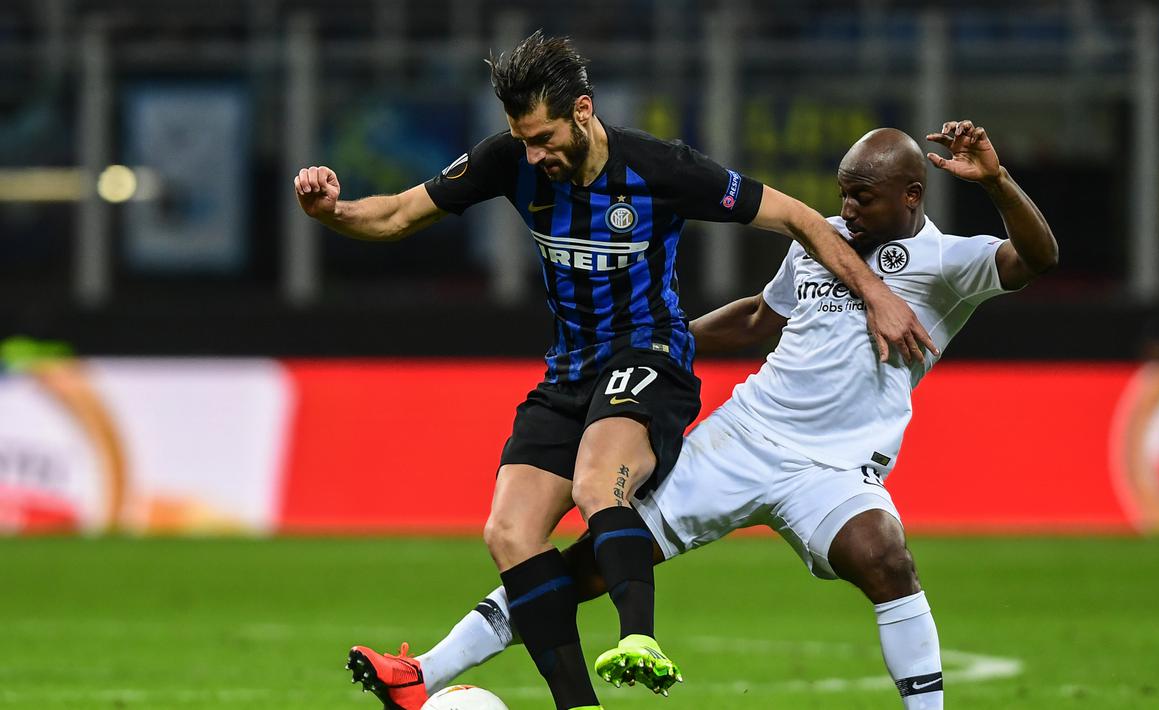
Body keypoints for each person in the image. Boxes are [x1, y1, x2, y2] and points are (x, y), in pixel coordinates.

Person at [294, 32, 934, 710]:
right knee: (508, 534)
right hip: (569, 371)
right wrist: (331, 211)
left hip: (648, 355)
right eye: (521, 139)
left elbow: (800, 218)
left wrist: (876, 292)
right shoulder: (508, 161)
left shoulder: (661, 169)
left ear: (582, 111)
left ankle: (639, 639)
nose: (532, 154)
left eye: (541, 137)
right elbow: (395, 215)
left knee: (600, 482)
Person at [362, 120, 1058, 710]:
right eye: (842, 194)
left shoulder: (945, 263)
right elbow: (759, 316)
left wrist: (995, 183)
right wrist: (662, 340)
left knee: (885, 559)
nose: (847, 209)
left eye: (864, 198)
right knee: (595, 561)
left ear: (911, 194)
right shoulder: (821, 248)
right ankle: (424, 672)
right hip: (743, 435)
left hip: (833, 467)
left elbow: (1036, 258)